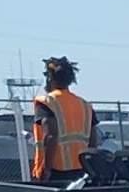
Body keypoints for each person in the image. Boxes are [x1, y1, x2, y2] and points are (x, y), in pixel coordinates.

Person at [27, 56, 96, 184]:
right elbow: (93, 141)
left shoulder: (46, 103)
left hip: (56, 171)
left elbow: (51, 136)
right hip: (82, 170)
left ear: (50, 78)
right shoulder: (85, 105)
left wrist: (46, 169)